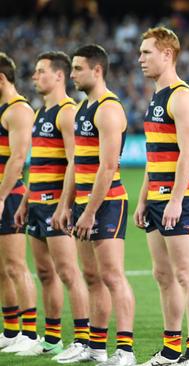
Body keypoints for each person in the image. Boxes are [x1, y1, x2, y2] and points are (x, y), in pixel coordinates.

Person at [54, 44, 136, 366]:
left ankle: (126, 351)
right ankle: (97, 347)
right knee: (91, 277)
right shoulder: (83, 108)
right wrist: (65, 205)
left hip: (107, 204)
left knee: (113, 276)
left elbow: (108, 166)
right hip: (83, 206)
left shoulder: (109, 109)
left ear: (96, 70)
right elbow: (76, 162)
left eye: (77, 69)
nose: (72, 75)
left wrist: (88, 211)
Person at [133, 27, 189, 366]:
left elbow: (188, 153)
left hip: (180, 198)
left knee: (186, 273)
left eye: (147, 52)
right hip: (156, 199)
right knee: (162, 275)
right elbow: (155, 155)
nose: (140, 58)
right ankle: (171, 348)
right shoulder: (156, 96)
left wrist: (176, 199)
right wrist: (143, 198)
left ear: (167, 54)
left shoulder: (182, 97)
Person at [13, 51, 90, 357]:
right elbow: (38, 162)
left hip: (57, 206)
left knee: (69, 272)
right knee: (45, 272)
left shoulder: (67, 112)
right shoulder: (39, 113)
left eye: (41, 71)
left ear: (59, 76)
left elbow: (75, 161)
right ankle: (52, 339)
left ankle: (84, 340)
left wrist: (64, 205)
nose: (34, 76)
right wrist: (26, 200)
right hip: (37, 204)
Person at [0, 52, 39, 352]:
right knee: (2, 268)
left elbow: (18, 157)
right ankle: (11, 331)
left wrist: (1, 196)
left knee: (16, 265)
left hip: (9, 195)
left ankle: (30, 334)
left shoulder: (18, 110)